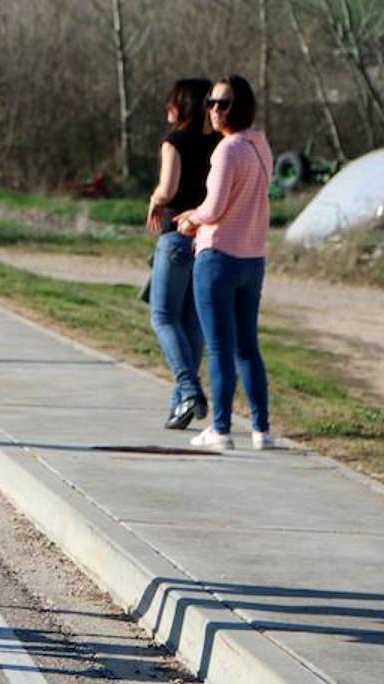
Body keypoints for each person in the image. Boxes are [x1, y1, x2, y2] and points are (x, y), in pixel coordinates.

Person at [175, 75, 275, 450]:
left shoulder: (227, 150)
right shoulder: (260, 145)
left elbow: (214, 208)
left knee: (219, 347)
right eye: (211, 103)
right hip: (253, 258)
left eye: (223, 103)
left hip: (218, 258)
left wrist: (190, 219)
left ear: (241, 106)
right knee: (248, 346)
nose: (215, 110)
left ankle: (220, 429)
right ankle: (262, 430)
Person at [147, 79, 218, 430]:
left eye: (171, 102)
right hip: (206, 239)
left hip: (176, 236)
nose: (167, 108)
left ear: (181, 106)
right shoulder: (218, 143)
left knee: (162, 317)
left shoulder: (173, 141)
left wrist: (154, 199)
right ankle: (181, 404)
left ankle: (188, 390)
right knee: (192, 324)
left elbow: (168, 188)